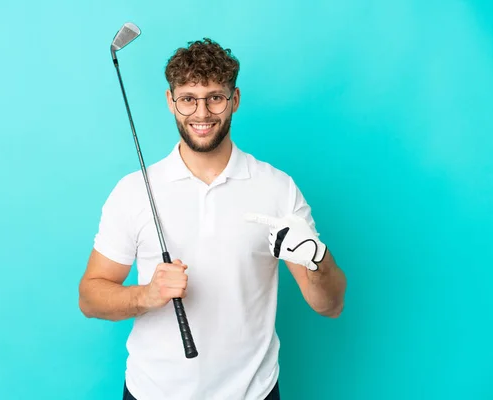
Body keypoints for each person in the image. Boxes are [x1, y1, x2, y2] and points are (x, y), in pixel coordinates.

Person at [79, 38, 347, 400]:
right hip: (152, 392)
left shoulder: (277, 188)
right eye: (188, 98)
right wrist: (146, 295)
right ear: (170, 101)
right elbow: (90, 297)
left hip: (253, 393)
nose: (202, 113)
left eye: (215, 97)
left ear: (234, 100)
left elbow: (330, 306)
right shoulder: (134, 191)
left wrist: (318, 258)